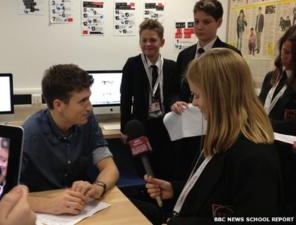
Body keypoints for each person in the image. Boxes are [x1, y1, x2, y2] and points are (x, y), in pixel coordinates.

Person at [145, 48, 282, 222]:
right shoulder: (223, 135)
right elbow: (217, 190)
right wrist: (176, 189)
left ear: (219, 96)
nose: (194, 103)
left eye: (197, 95)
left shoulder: (254, 156)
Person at [20, 64, 119, 215]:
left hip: (79, 208)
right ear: (58, 105)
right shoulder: (29, 133)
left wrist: (98, 186)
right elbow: (5, 194)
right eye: (82, 101)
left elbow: (110, 168)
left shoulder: (87, 121)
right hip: (43, 213)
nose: (90, 107)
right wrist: (49, 205)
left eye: (89, 99)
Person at [171, 0, 241, 182]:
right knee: (184, 172)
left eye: (206, 21)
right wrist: (176, 101)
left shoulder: (229, 55)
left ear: (219, 22)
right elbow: (174, 90)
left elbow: (234, 95)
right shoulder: (185, 55)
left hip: (216, 128)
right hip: (186, 129)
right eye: (196, 21)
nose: (199, 27)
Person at [120, 19, 177, 180]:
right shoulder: (132, 64)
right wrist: (124, 128)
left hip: (165, 127)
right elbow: (125, 98)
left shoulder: (171, 67)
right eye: (144, 40)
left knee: (164, 170)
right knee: (144, 172)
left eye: (153, 40)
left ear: (162, 42)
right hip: (140, 128)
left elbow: (174, 93)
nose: (148, 44)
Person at [259, 25, 296, 216]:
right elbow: (259, 107)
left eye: (293, 55)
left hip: (287, 158)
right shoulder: (271, 77)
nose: (287, 58)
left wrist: (262, 123)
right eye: (285, 51)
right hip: (264, 149)